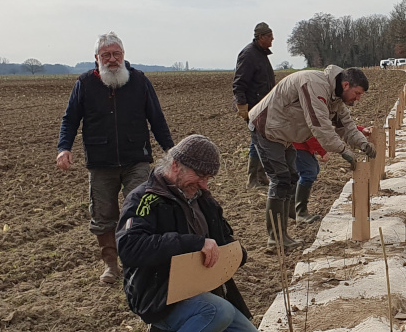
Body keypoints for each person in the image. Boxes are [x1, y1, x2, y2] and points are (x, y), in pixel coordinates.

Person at [56, 31, 174, 284]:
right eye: (106, 55)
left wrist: (171, 151)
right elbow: (70, 120)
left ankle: (139, 263)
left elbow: (157, 119)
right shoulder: (85, 84)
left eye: (116, 54)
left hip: (137, 159)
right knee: (103, 215)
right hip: (101, 162)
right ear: (96, 58)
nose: (112, 59)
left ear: (124, 55)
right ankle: (111, 264)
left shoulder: (139, 81)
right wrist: (64, 148)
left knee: (141, 210)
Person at [116, 135, 256, 331]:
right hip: (160, 296)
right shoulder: (144, 200)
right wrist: (193, 243)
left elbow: (222, 238)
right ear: (175, 165)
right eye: (200, 176)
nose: (204, 185)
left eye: (208, 178)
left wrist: (235, 253)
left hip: (204, 288)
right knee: (218, 312)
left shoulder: (203, 200)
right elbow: (129, 247)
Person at [248, 66, 377, 250]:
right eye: (357, 93)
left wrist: (363, 144)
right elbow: (319, 125)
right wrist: (343, 151)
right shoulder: (314, 84)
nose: (358, 99)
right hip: (267, 128)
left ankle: (285, 228)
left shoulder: (336, 98)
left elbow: (346, 125)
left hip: (285, 133)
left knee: (291, 178)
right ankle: (276, 238)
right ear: (346, 84)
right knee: (280, 180)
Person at [292, 126, 372, 224]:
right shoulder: (313, 112)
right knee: (308, 173)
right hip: (298, 144)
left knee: (311, 171)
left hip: (302, 143)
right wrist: (322, 151)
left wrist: (360, 129)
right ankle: (300, 212)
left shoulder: (326, 111)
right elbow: (311, 131)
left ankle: (292, 208)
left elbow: (338, 122)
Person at [233, 22, 276, 189]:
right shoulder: (249, 54)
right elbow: (239, 83)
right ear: (261, 37)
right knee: (256, 140)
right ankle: (253, 179)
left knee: (259, 139)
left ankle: (260, 176)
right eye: (270, 36)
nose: (273, 39)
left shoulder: (261, 54)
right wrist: (242, 105)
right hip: (254, 106)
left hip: (263, 106)